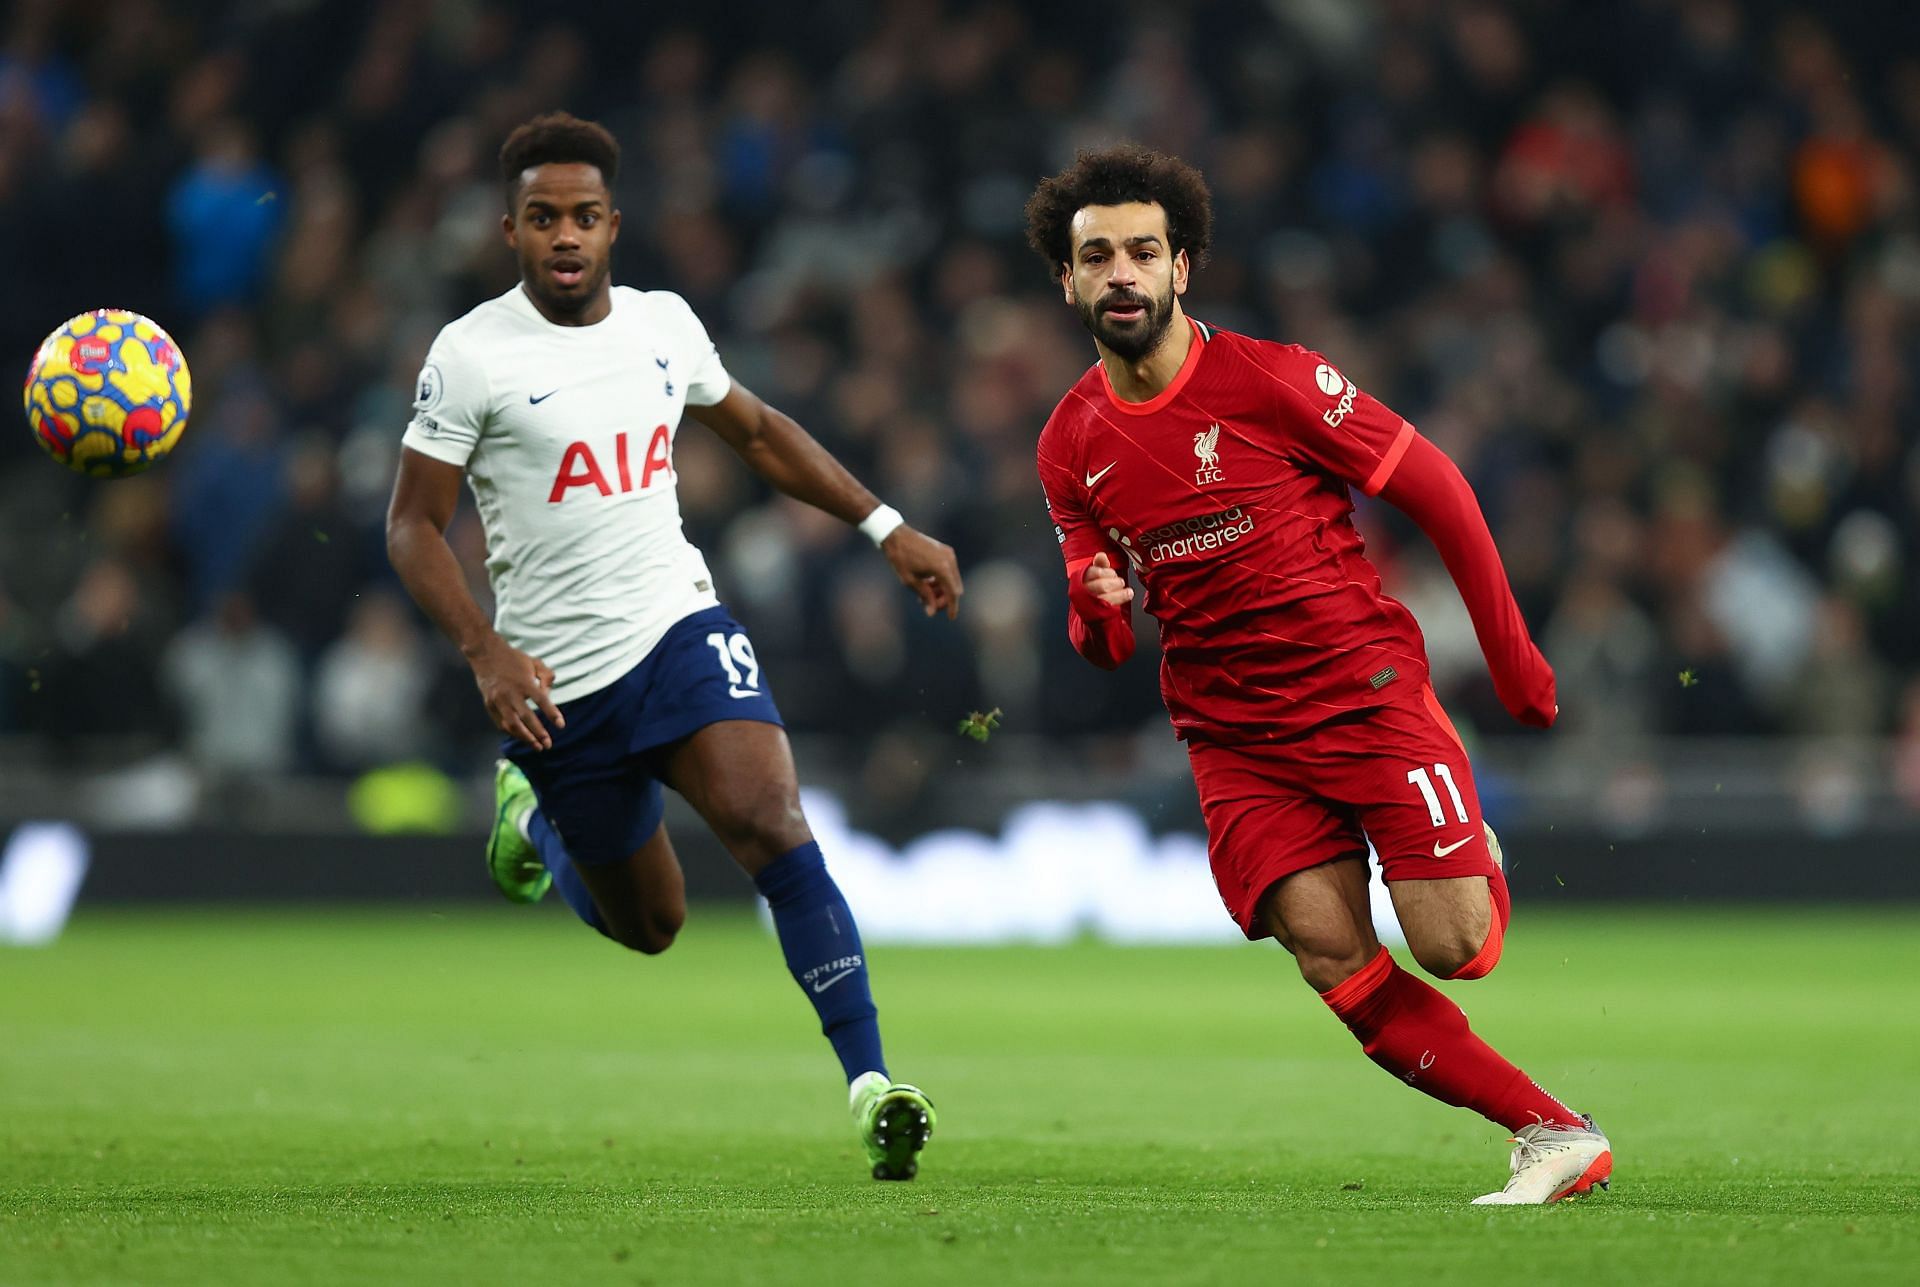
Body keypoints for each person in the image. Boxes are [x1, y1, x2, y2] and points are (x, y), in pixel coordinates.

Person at [1024, 145, 1610, 1205]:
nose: (1121, 273)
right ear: (1065, 280)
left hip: (1361, 690)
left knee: (1456, 948)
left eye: (1143, 253)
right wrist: (1088, 611)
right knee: (1329, 951)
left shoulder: (1274, 380)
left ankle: (1470, 843)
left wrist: (1513, 659)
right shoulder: (1069, 443)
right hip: (1234, 735)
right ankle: (1551, 1131)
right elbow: (1103, 635)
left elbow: (1440, 493)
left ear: (1181, 268)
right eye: (1097, 255)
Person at [386, 113, 962, 1180]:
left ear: (614, 226)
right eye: (541, 219)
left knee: (772, 820)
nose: (564, 237)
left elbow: (754, 431)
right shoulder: (470, 356)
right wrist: (483, 652)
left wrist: (887, 527)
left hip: (677, 629)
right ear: (509, 231)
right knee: (653, 924)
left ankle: (871, 1082)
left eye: (583, 218)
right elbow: (411, 524)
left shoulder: (661, 324)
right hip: (556, 682)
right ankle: (535, 817)